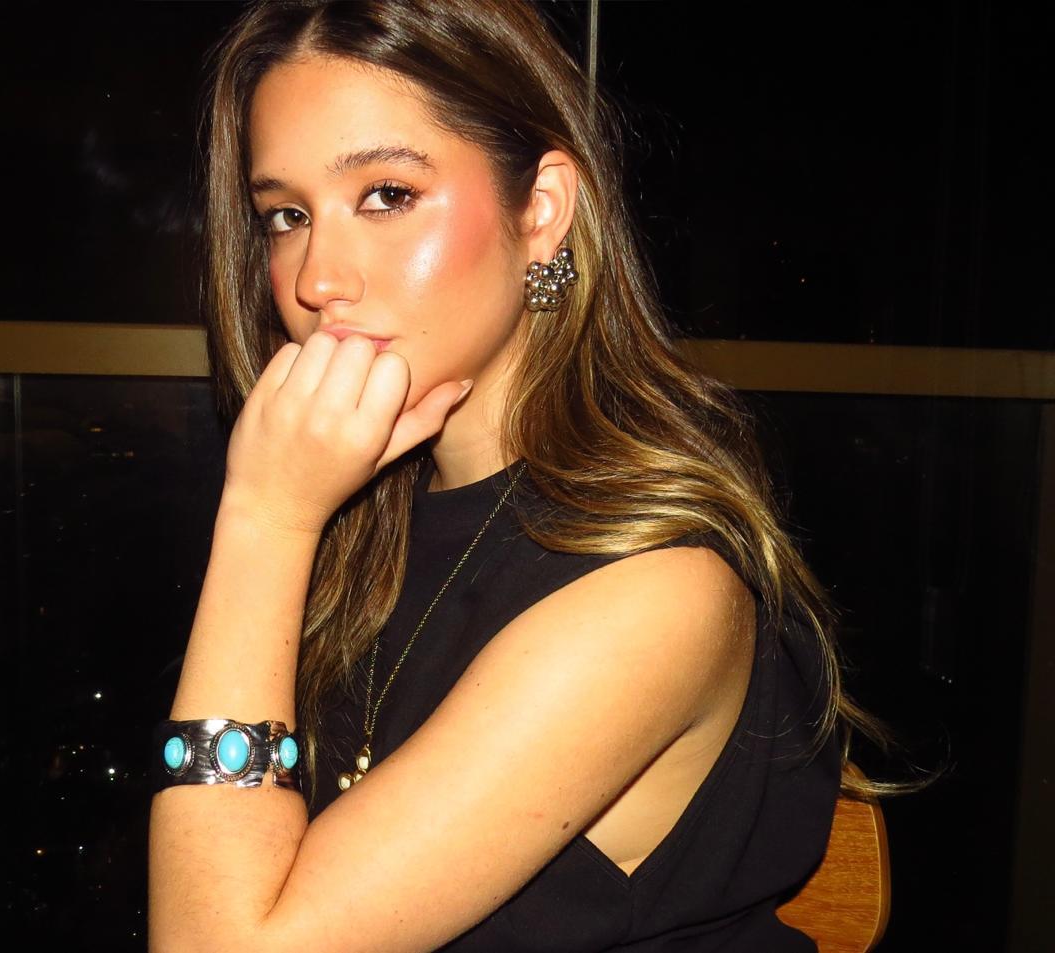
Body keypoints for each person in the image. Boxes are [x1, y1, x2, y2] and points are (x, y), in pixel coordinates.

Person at [148, 1, 887, 950]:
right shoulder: (373, 521)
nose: (317, 279)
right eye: (287, 216)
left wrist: (263, 521)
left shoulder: (653, 592)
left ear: (540, 210)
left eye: (387, 194)